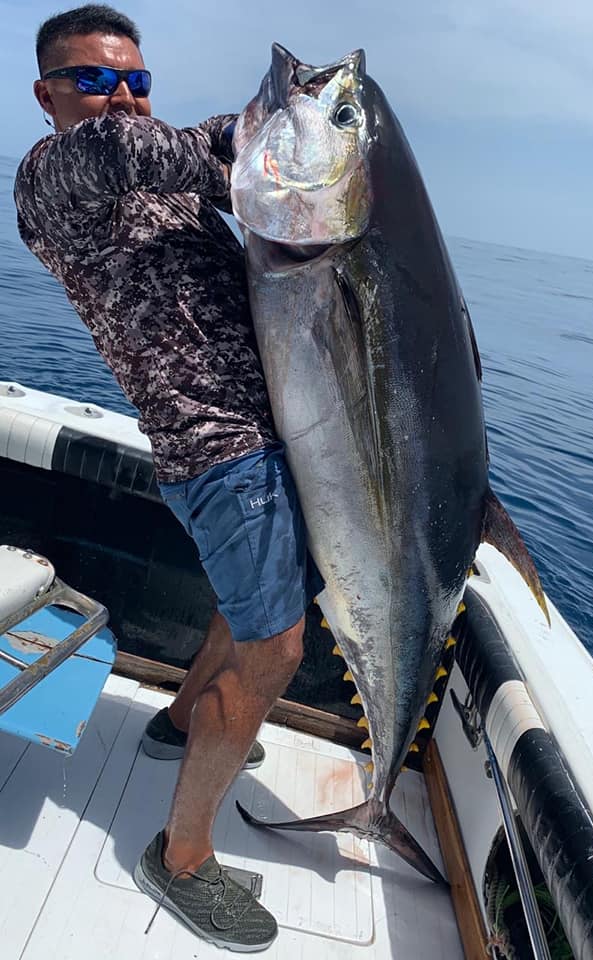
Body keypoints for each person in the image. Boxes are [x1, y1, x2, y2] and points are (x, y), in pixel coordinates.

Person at [15, 4, 324, 952]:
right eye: (93, 79)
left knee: (251, 605)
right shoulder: (53, 175)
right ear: (46, 96)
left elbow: (273, 203)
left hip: (273, 432)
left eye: (135, 81)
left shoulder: (174, 178)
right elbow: (135, 151)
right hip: (216, 446)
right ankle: (181, 856)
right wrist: (271, 131)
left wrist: (300, 156)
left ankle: (184, 719)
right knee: (275, 648)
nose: (119, 97)